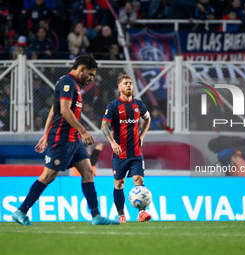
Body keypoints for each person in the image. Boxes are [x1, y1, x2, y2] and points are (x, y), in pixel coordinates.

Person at [12, 54, 119, 226]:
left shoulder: (73, 84)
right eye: (90, 74)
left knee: (88, 171)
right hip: (62, 138)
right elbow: (63, 110)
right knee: (48, 176)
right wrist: (83, 131)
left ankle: (96, 216)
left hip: (73, 139)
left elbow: (53, 110)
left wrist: (45, 134)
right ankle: (21, 211)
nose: (91, 79)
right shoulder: (67, 82)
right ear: (82, 68)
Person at [101, 74, 151, 223]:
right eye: (125, 83)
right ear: (119, 88)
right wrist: (112, 142)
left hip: (136, 153)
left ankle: (142, 213)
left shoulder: (139, 105)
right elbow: (104, 125)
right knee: (119, 183)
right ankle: (121, 214)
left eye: (130, 83)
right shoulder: (113, 106)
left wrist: (142, 136)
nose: (129, 85)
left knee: (138, 179)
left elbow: (147, 119)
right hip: (119, 154)